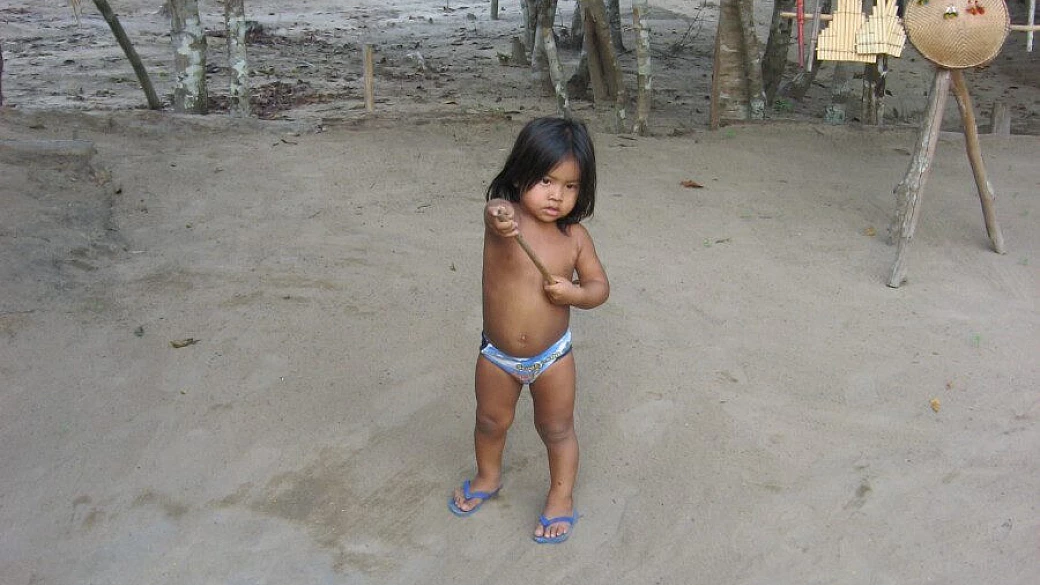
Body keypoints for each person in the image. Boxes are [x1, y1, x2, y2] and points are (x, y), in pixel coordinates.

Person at [449, 117, 609, 544]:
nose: (556, 195)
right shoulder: (506, 223)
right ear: (519, 172)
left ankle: (561, 498)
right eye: (544, 180)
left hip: (552, 357)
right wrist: (497, 213)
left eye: (570, 186)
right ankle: (487, 477)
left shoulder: (575, 237)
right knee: (489, 421)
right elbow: (493, 211)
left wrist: (574, 294)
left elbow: (599, 288)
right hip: (497, 356)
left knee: (557, 429)